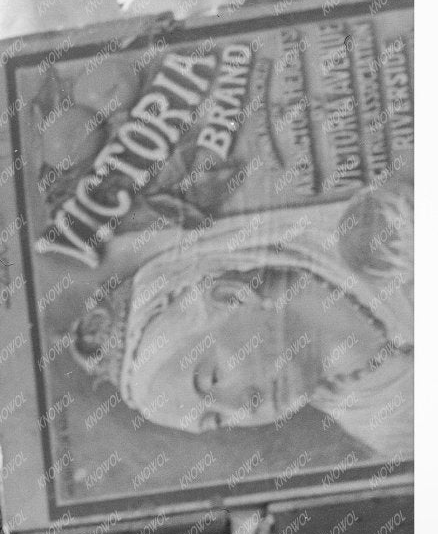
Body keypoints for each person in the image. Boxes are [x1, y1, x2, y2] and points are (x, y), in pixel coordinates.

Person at [70, 179, 413, 461]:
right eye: (217, 419)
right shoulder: (387, 425)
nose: (244, 407)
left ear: (231, 294)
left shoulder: (386, 230)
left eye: (213, 377)